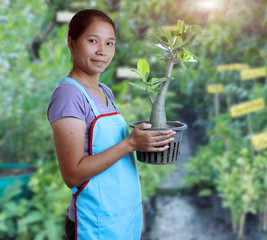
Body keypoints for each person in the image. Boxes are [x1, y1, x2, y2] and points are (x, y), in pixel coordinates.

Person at [47, 9, 176, 240]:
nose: (102, 51)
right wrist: (130, 143)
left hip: (124, 218)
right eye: (92, 41)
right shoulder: (69, 95)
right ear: (71, 43)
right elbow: (72, 174)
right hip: (95, 223)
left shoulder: (104, 91)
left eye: (109, 43)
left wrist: (143, 140)